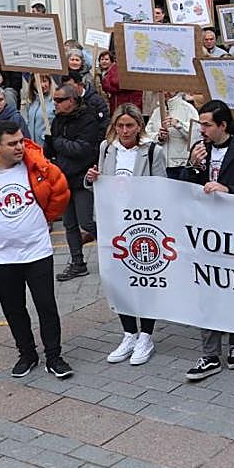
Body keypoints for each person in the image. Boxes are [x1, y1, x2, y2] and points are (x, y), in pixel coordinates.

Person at [0, 121, 72, 379]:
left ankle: (54, 356)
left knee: (46, 305)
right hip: (3, 254)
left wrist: (44, 219)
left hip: (37, 251)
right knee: (13, 307)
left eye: (21, 141)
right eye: (12, 143)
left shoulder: (39, 166)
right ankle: (27, 353)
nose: (20, 146)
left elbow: (59, 193)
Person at [182, 99, 234, 381]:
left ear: (223, 125)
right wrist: (192, 166)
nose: (201, 129)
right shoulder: (199, 150)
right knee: (207, 290)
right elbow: (185, 187)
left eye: (206, 124)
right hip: (204, 233)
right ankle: (209, 353)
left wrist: (227, 189)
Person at [84, 104, 167, 365]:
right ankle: (129, 332)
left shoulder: (153, 150)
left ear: (139, 127)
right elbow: (98, 184)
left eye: (130, 125)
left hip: (142, 226)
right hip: (113, 224)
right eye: (120, 126)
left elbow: (161, 188)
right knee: (118, 281)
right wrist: (91, 178)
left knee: (144, 280)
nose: (124, 130)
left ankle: (146, 335)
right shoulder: (106, 148)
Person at [46, 83, 104, 281]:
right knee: (69, 224)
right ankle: (77, 263)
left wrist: (57, 143)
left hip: (82, 179)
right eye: (54, 100)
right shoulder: (57, 121)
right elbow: (53, 149)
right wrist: (50, 146)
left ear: (71, 101)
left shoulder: (87, 119)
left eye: (59, 100)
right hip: (63, 179)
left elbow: (82, 149)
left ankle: (113, 246)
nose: (56, 104)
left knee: (87, 221)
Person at [145, 89, 200, 177]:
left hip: (180, 165)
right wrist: (158, 137)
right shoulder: (156, 112)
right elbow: (146, 136)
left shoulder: (188, 109)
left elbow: (196, 136)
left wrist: (179, 125)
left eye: (168, 89)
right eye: (163, 89)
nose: (165, 92)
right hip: (159, 164)